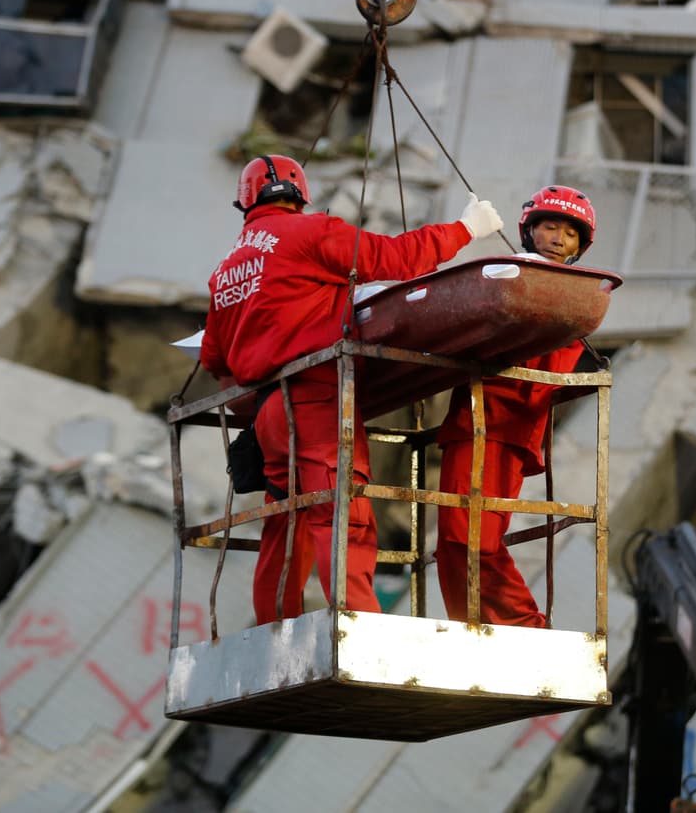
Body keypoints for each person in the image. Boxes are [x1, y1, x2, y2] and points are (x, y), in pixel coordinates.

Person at [200, 154, 503, 625]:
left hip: (269, 413)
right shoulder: (311, 232)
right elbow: (397, 259)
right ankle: (358, 630)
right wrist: (466, 229)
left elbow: (215, 357)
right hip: (316, 399)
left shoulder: (226, 270)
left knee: (285, 523)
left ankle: (272, 630)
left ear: (245, 202)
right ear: (300, 194)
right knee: (343, 516)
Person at [435, 185, 597, 628]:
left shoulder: (573, 294)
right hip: (475, 421)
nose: (558, 238)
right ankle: (470, 628)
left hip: (504, 427)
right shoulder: (508, 278)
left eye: (570, 233)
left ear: (579, 246)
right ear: (530, 231)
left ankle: (527, 628)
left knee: (473, 538)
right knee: (452, 543)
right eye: (550, 227)